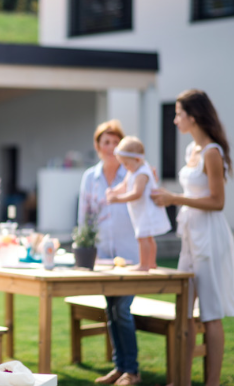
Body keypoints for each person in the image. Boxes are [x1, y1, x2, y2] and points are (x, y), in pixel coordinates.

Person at [151, 89, 234, 386]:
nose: (175, 120)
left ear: (193, 116)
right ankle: (182, 381)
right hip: (190, 236)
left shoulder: (213, 152)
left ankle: (211, 383)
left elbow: (217, 201)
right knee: (184, 311)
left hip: (210, 238)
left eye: (178, 114)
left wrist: (176, 199)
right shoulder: (192, 151)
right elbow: (190, 194)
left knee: (210, 314)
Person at [78, 120, 141, 385]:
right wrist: (84, 248)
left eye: (116, 142)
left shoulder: (133, 175)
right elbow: (84, 216)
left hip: (131, 255)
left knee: (122, 311)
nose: (112, 147)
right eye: (107, 142)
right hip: (102, 256)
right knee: (112, 311)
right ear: (98, 146)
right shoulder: (90, 177)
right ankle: (120, 368)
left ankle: (133, 371)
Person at [106, 136, 171, 271]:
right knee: (147, 238)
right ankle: (151, 263)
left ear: (137, 159)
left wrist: (118, 199)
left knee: (143, 238)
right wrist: (114, 191)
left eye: (126, 163)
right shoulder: (133, 170)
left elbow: (137, 193)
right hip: (140, 211)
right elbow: (124, 185)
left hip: (146, 212)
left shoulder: (142, 173)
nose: (125, 167)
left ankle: (144, 264)